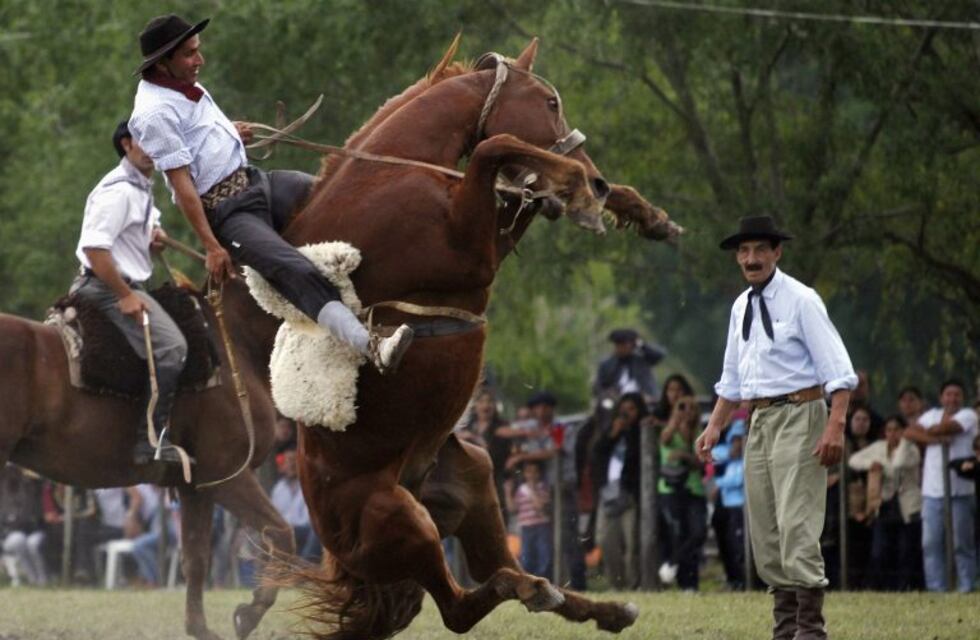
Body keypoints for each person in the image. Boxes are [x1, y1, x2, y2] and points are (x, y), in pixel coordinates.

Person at [127, 14, 413, 375]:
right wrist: (211, 246)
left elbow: (196, 136)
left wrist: (229, 131)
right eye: (188, 55)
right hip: (228, 213)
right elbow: (182, 185)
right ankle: (371, 344)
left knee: (335, 194)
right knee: (292, 269)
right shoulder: (153, 113)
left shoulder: (184, 83)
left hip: (255, 180)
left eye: (197, 51)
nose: (199, 60)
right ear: (163, 63)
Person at [696, 216, 857, 640]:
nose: (752, 259)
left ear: (776, 252)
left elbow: (838, 370)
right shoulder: (740, 306)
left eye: (760, 250)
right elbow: (732, 378)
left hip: (801, 412)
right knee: (765, 526)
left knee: (796, 519)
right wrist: (714, 425)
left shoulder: (802, 299)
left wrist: (835, 426)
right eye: (744, 252)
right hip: (759, 419)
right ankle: (785, 627)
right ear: (737, 257)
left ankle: (810, 629)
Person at [71, 120, 184, 465]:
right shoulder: (118, 190)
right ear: (126, 144)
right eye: (144, 141)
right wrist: (124, 295)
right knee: (173, 348)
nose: (153, 148)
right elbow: (95, 249)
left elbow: (144, 220)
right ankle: (149, 440)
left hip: (118, 283)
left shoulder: (140, 188)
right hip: (105, 287)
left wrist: (154, 232)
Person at [904, 379, 977, 592]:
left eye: (956, 395)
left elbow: (950, 427)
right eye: (948, 394)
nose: (952, 398)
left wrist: (932, 432)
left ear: (962, 398)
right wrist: (933, 439)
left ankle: (966, 586)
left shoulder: (969, 415)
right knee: (931, 543)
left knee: (961, 544)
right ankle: (937, 588)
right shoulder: (931, 415)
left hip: (961, 491)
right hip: (932, 492)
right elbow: (909, 432)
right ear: (941, 397)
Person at [848, 415, 922, 591]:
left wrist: (904, 442)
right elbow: (853, 460)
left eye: (897, 429)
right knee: (880, 550)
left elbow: (898, 464)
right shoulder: (879, 447)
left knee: (905, 550)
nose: (892, 434)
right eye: (889, 430)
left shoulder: (911, 449)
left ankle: (904, 587)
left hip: (907, 504)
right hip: (885, 503)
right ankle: (882, 587)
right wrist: (871, 463)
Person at [591, 393, 644, 589]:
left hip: (630, 495)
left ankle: (634, 584)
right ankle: (616, 583)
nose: (627, 413)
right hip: (608, 494)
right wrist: (613, 434)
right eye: (624, 409)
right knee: (604, 540)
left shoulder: (640, 432)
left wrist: (630, 431)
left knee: (632, 543)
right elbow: (596, 453)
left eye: (632, 409)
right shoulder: (611, 431)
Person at [657, 394, 706, 590]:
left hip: (694, 490)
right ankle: (685, 583)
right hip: (671, 491)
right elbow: (666, 443)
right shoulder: (669, 430)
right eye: (682, 407)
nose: (687, 412)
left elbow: (699, 461)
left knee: (697, 533)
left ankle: (675, 564)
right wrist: (676, 421)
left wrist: (684, 454)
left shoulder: (700, 432)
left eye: (691, 408)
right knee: (678, 534)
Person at [270, 446, 321, 563]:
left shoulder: (309, 486)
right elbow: (274, 514)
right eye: (288, 461)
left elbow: (310, 518)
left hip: (305, 529)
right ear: (283, 466)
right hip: (283, 530)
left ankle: (303, 566)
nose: (292, 465)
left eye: (294, 461)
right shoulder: (278, 489)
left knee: (315, 531)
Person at [711, 422, 746, 590]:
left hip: (742, 507)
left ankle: (744, 580)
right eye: (735, 440)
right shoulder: (730, 459)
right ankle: (734, 579)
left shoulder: (747, 461)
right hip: (728, 506)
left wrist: (719, 484)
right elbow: (715, 454)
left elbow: (739, 480)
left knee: (740, 546)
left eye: (741, 440)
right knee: (730, 544)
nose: (737, 444)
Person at [0, 465, 47, 586]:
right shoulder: (4, 492)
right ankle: (32, 577)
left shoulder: (29, 488)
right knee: (18, 540)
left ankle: (42, 578)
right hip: (9, 534)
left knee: (32, 544)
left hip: (31, 530)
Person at [593, 328, 666, 403]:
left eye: (626, 345)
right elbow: (598, 387)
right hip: (618, 402)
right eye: (620, 345)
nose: (623, 348)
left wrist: (641, 344)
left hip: (646, 400)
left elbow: (660, 355)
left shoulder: (643, 360)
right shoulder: (607, 364)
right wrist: (607, 394)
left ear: (632, 345)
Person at [514, 461, 552, 579]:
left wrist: (533, 490)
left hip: (541, 526)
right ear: (524, 474)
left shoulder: (543, 487)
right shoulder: (520, 489)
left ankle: (543, 578)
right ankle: (529, 579)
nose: (532, 475)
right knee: (527, 555)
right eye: (529, 472)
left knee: (543, 555)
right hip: (526, 527)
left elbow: (540, 505)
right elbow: (513, 507)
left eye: (535, 472)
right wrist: (507, 489)